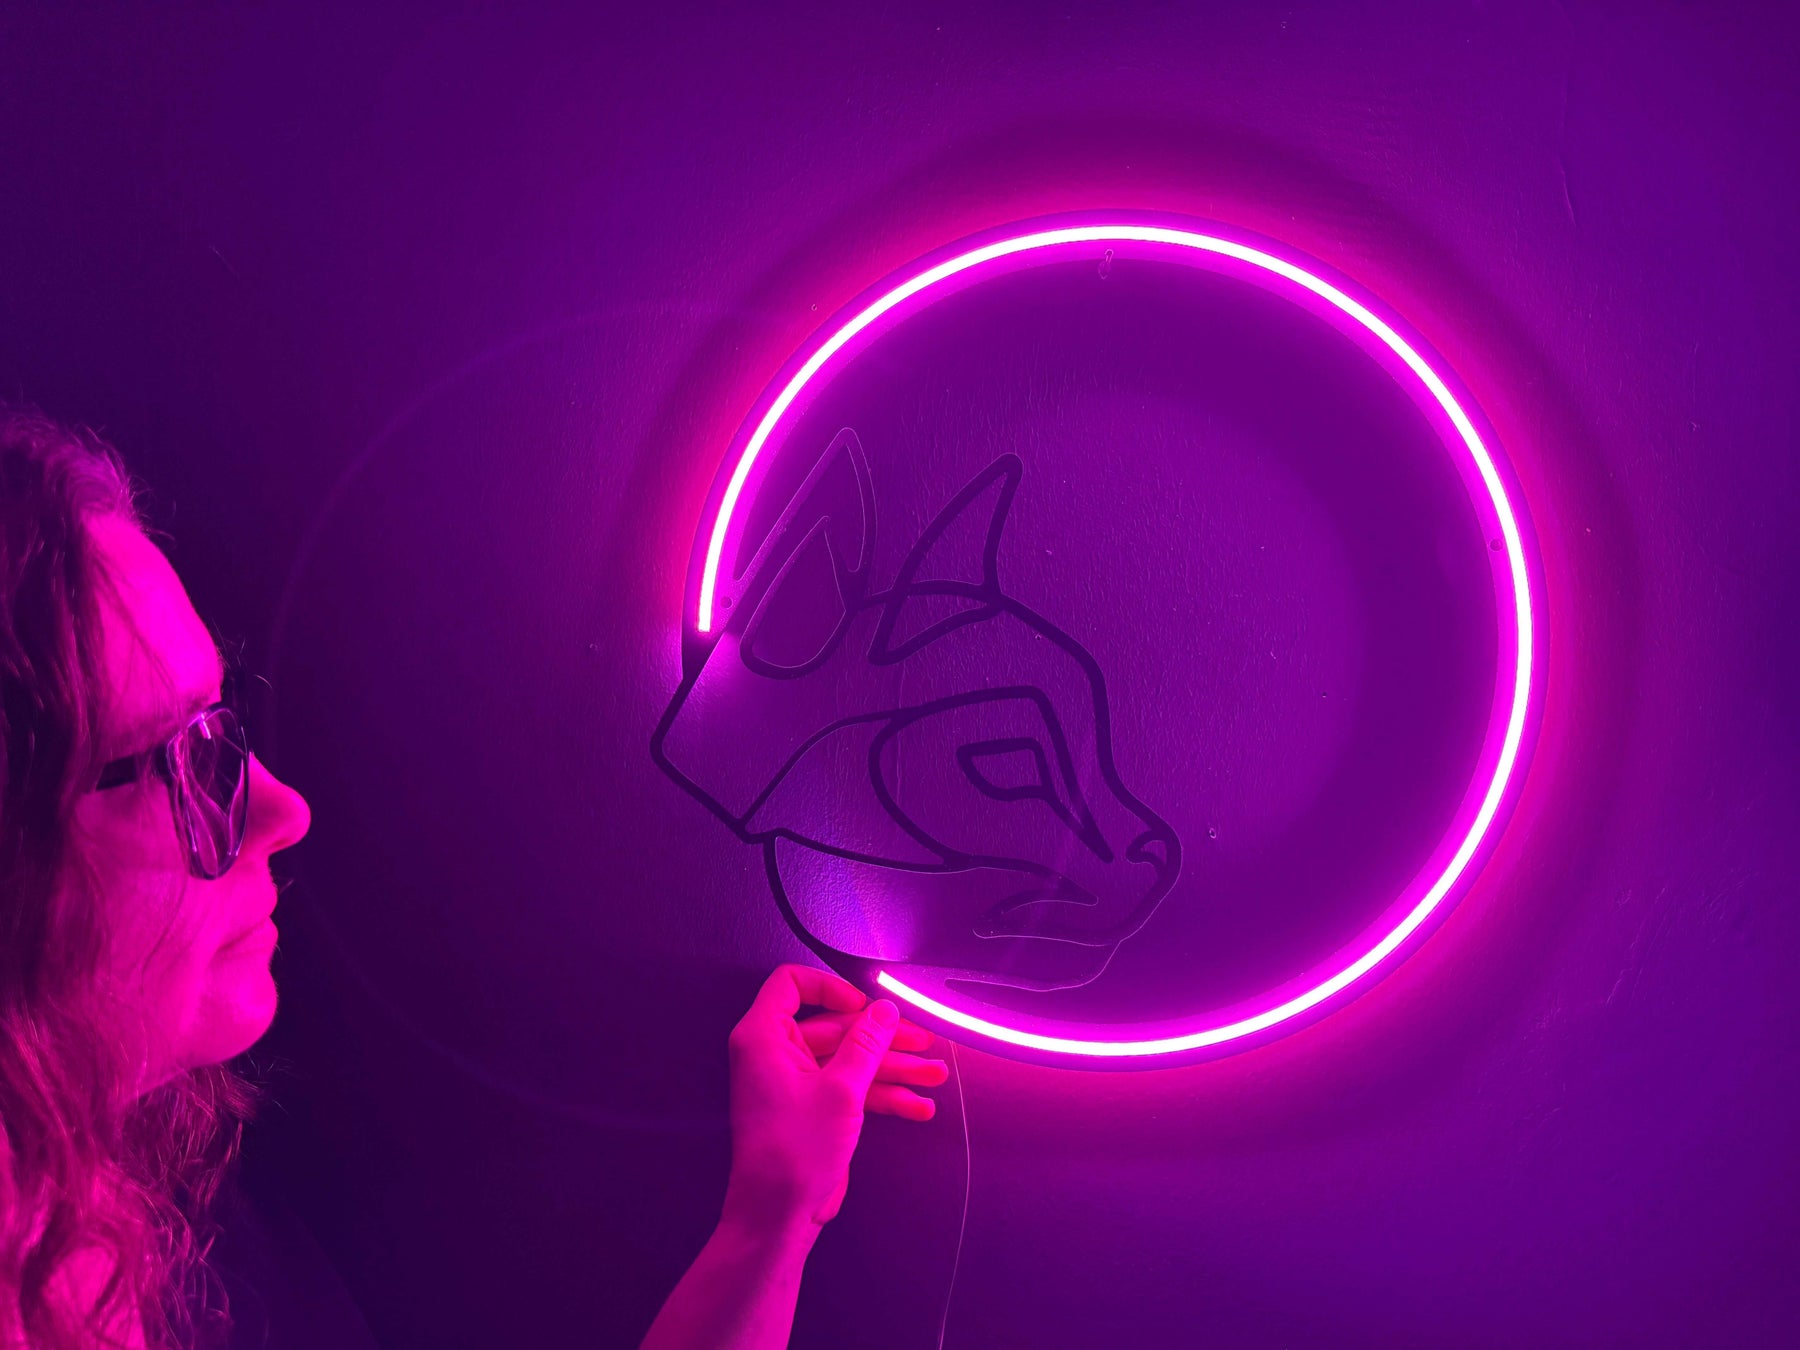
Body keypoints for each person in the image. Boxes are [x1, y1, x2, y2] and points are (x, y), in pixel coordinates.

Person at [0, 409, 948, 1348]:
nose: (281, 811)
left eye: (218, 728)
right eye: (171, 760)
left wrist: (773, 1217)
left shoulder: (172, 1229)